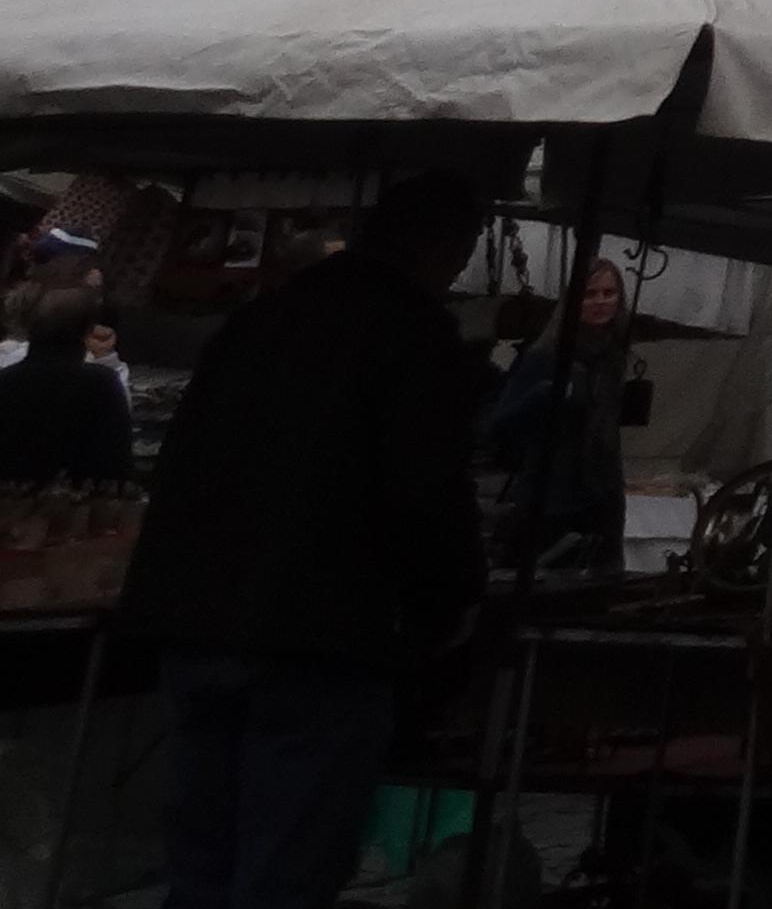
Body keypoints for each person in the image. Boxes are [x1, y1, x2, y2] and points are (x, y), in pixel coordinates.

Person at [115, 168, 492, 909]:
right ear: (444, 247)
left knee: (201, 864)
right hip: (317, 635)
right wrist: (455, 597)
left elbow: (182, 461)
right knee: (283, 871)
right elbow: (423, 489)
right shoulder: (411, 331)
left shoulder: (262, 318)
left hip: (199, 621)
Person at [478, 254, 636, 572]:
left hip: (601, 496)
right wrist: (543, 395)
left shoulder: (612, 357)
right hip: (549, 501)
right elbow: (499, 424)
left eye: (608, 293)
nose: (600, 302)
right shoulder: (547, 356)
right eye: (590, 294)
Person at [0, 279, 135, 485]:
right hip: (75, 502)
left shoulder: (6, 379)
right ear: (85, 333)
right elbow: (116, 455)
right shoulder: (101, 383)